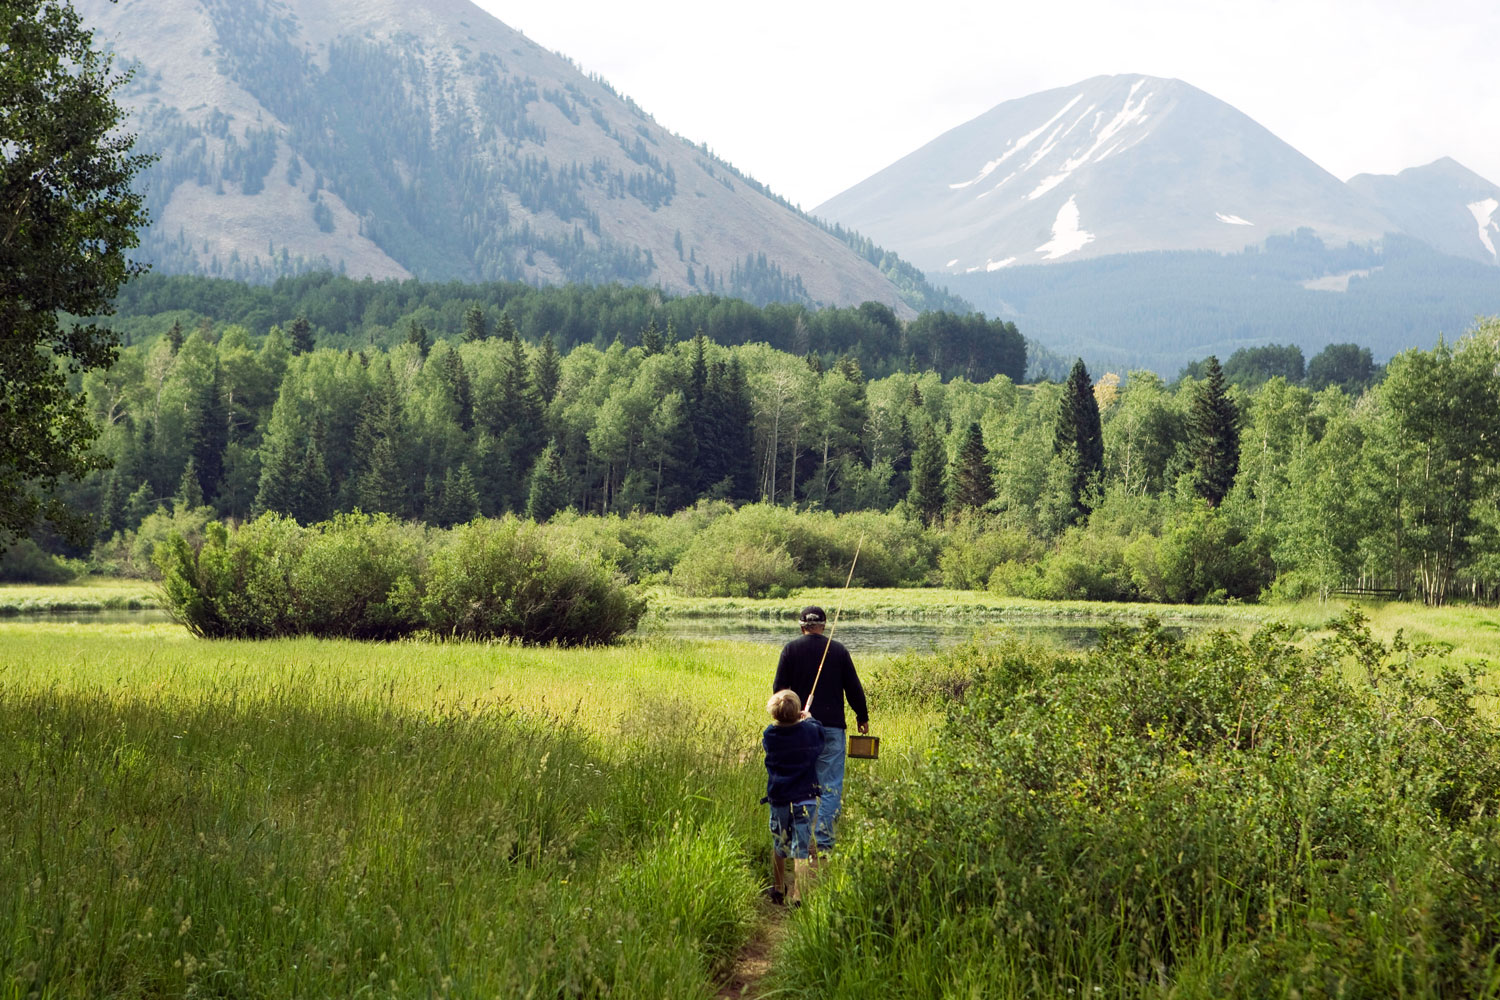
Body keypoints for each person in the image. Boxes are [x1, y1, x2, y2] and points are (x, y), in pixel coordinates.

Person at [772, 605, 869, 854]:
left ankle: (800, 842)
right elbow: (853, 688)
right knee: (830, 786)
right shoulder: (838, 650)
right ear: (823, 626)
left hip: (798, 729)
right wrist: (862, 716)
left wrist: (786, 719)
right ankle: (824, 843)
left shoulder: (790, 649)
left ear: (801, 626)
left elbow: (779, 691)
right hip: (832, 729)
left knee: (802, 786)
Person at [761, 688, 824, 906]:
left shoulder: (770, 735)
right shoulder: (809, 731)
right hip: (805, 796)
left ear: (774, 713)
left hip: (779, 796)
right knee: (801, 849)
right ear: (798, 712)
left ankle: (778, 889)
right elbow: (819, 736)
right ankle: (798, 896)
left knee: (779, 843)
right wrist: (809, 719)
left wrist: (799, 721)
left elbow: (781, 734)